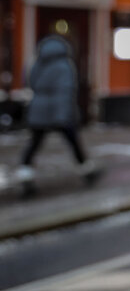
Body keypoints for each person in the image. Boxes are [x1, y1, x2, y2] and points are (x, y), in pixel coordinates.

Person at [15, 35, 100, 196]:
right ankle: (86, 170)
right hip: (59, 111)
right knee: (73, 141)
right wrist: (63, 115)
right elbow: (65, 91)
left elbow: (28, 82)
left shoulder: (37, 63)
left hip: (38, 109)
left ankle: (25, 172)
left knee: (35, 143)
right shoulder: (65, 65)